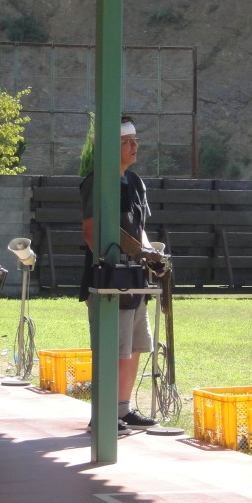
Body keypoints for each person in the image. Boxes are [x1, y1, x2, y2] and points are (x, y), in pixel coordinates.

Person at [79, 116, 159, 433]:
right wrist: (130, 254)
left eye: (135, 140)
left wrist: (152, 255)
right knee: (112, 348)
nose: (134, 146)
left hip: (136, 278)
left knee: (136, 345)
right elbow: (91, 233)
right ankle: (102, 415)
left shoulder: (136, 182)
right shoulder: (96, 181)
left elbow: (141, 231)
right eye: (127, 142)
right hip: (108, 280)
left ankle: (122, 410)